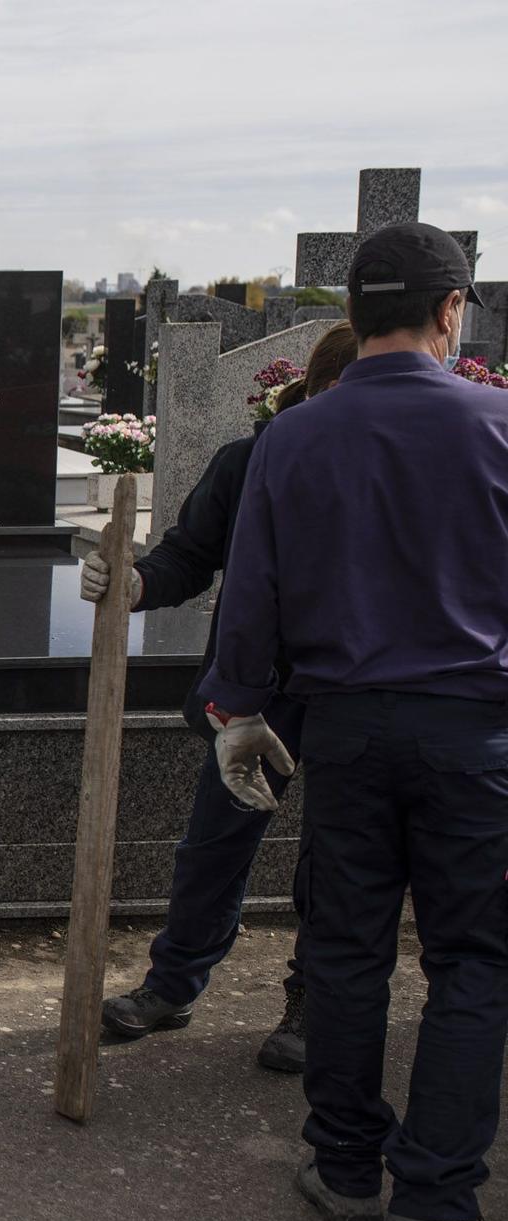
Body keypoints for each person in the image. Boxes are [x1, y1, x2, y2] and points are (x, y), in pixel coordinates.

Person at [204, 223, 508, 1221]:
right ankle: (432, 1200)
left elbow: (252, 592)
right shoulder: (498, 426)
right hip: (474, 729)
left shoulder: (291, 439)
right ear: (448, 311)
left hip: (342, 729)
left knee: (345, 945)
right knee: (473, 960)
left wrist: (235, 710)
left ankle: (342, 1167)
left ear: (350, 317)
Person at [93, 323, 359, 1071]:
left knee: (334, 856)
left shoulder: (379, 465)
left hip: (348, 694)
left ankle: (310, 998)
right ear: (316, 390)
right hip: (259, 691)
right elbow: (191, 551)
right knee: (213, 844)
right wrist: (136, 582)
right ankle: (173, 983)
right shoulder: (251, 460)